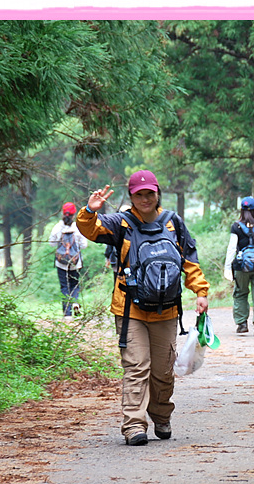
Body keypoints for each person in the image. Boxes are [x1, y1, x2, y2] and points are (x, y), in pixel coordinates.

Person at [77, 170, 210, 446]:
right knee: (137, 366)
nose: (146, 198)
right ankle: (134, 426)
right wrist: (90, 210)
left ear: (157, 193)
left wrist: (200, 291)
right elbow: (90, 229)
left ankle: (161, 417)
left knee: (163, 370)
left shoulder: (172, 222)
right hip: (130, 309)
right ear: (132, 196)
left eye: (150, 193)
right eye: (140, 194)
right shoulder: (121, 222)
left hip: (166, 310)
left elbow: (189, 259)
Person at [223, 196, 254, 337]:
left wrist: (227, 268)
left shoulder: (236, 227)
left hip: (241, 267)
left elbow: (232, 249)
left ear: (242, 210)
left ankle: (242, 324)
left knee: (241, 293)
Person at [49, 201, 88, 320]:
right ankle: (75, 301)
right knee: (75, 285)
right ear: (74, 213)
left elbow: (51, 243)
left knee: (64, 286)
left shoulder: (57, 227)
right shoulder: (77, 227)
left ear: (63, 212)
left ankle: (67, 314)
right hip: (76, 263)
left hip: (61, 263)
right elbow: (84, 245)